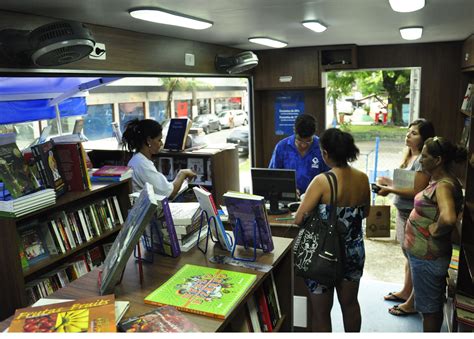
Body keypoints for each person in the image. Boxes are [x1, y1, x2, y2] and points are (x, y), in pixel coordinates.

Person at [294, 128, 370, 332]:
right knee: (351, 305)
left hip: (323, 254)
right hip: (353, 252)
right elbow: (365, 213)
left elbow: (299, 218)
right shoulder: (363, 179)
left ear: (325, 153)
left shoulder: (322, 181)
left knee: (321, 312)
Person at [404, 136, 466, 332]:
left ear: (438, 160)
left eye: (424, 156)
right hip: (426, 256)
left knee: (430, 310)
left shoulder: (444, 185)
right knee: (430, 308)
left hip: (428, 258)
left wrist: (436, 229)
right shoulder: (441, 181)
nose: (421, 160)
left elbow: (448, 217)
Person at [375, 118, 435, 316]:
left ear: (425, 139)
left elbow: (417, 189)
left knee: (414, 258)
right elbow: (406, 184)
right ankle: (406, 291)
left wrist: (388, 188)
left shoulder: (422, 160)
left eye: (414, 133)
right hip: (403, 211)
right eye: (409, 132)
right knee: (408, 256)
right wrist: (389, 182)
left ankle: (412, 302)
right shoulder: (410, 156)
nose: (408, 135)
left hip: (413, 213)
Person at [122, 119, 196, 197]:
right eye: (159, 140)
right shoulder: (142, 164)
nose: (161, 144)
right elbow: (170, 193)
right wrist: (183, 173)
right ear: (149, 141)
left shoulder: (137, 159)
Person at [269, 114, 330, 195]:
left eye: (308, 141)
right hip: (288, 198)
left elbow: (329, 177)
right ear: (294, 131)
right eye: (299, 140)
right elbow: (273, 176)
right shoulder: (282, 147)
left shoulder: (321, 148)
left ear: (314, 134)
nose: (303, 145)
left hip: (317, 198)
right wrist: (287, 189)